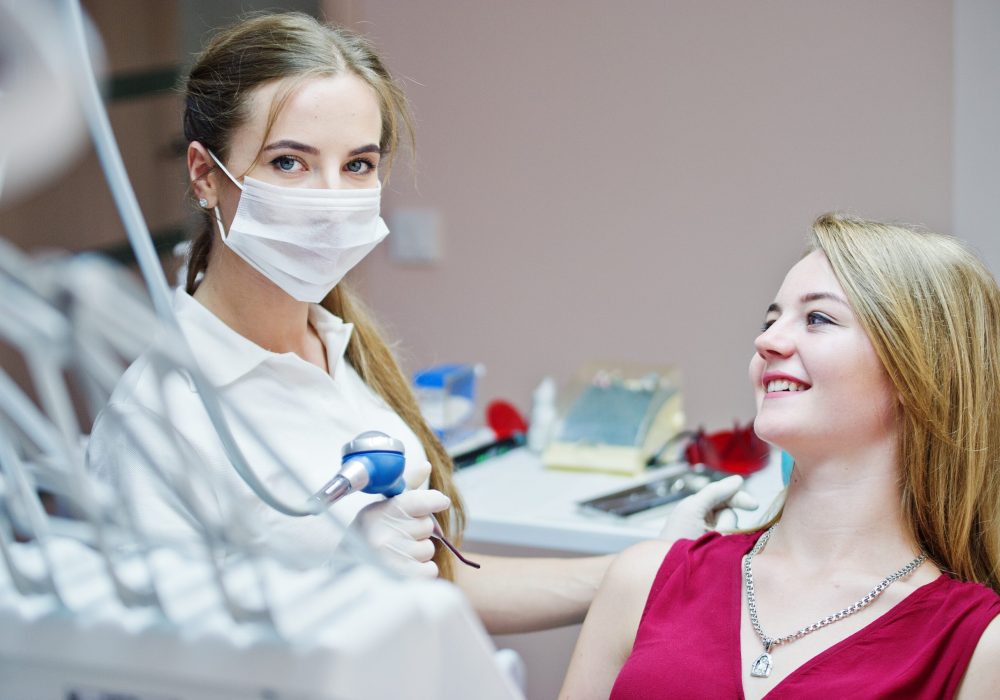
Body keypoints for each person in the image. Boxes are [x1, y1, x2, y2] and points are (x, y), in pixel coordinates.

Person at [86, 11, 753, 636]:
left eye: (358, 166)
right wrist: (339, 580)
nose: (331, 199)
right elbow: (152, 658)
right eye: (289, 161)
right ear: (206, 175)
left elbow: (444, 588)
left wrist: (653, 565)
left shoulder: (339, 351)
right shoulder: (160, 418)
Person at [559, 213, 1000, 698]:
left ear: (920, 370)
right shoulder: (644, 579)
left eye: (818, 318)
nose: (765, 341)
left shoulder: (978, 644)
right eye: (771, 320)